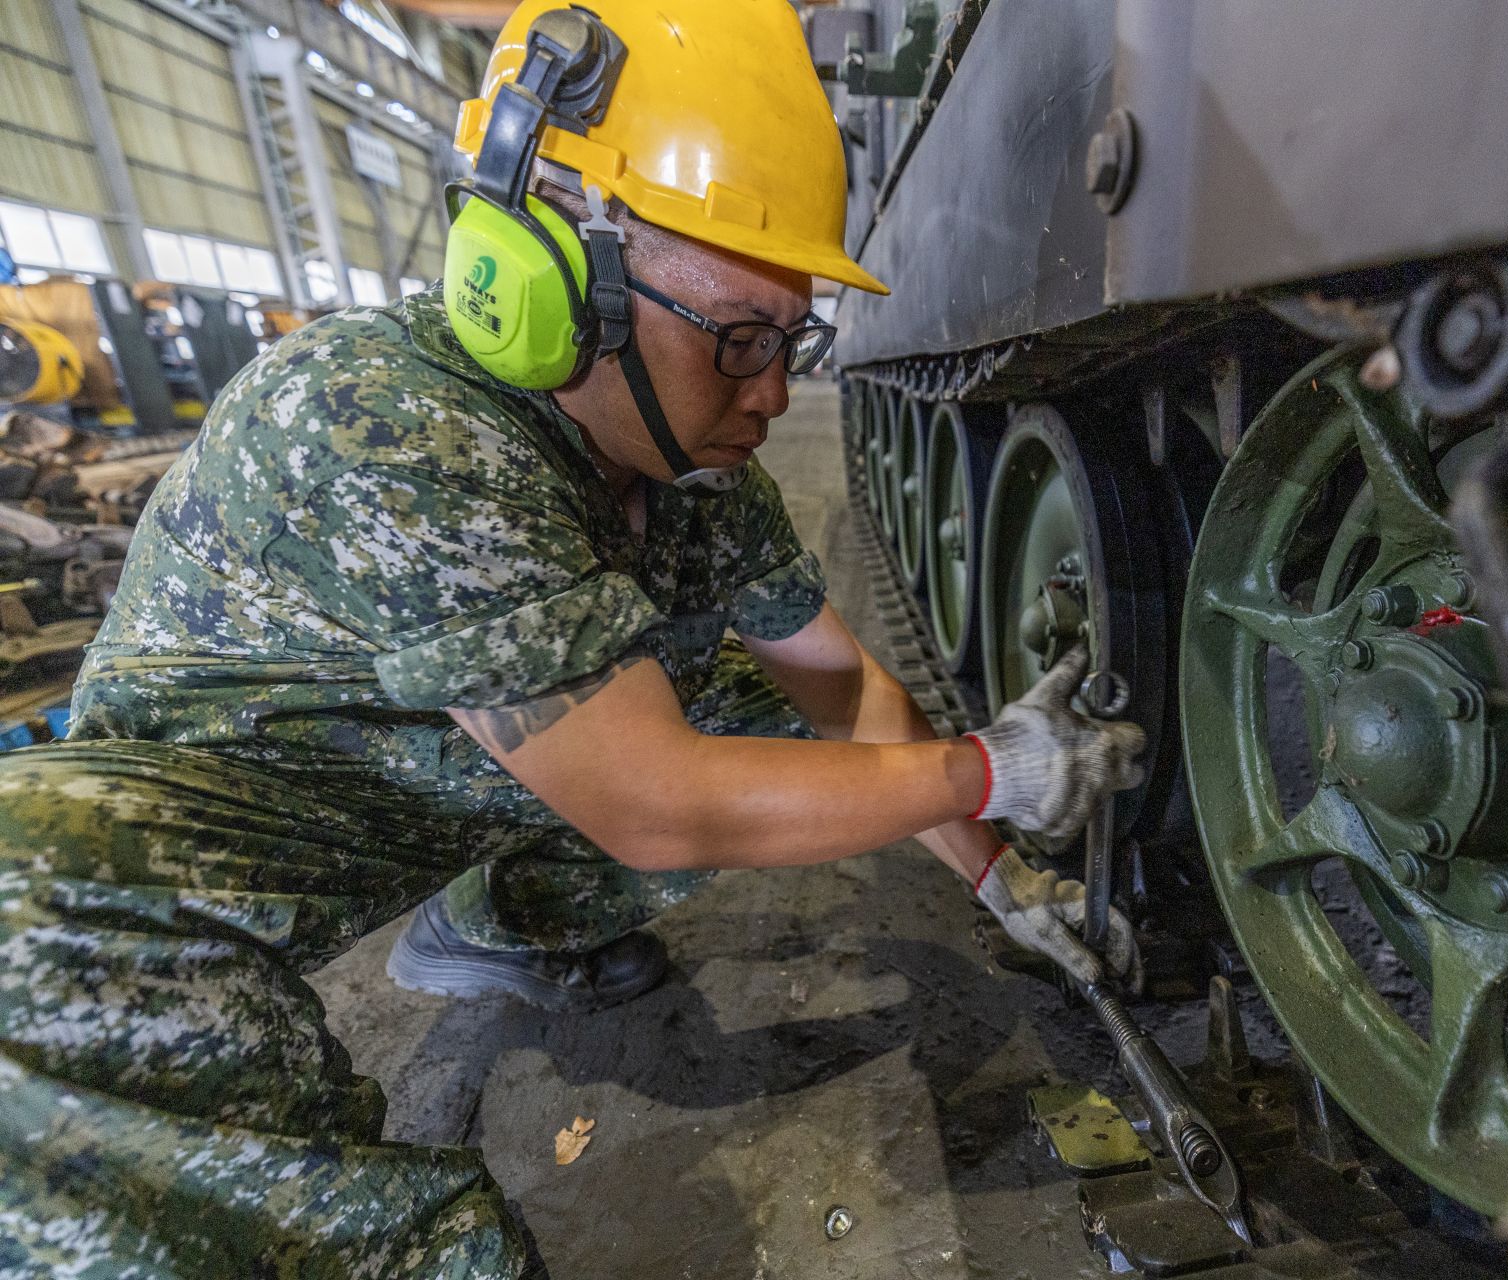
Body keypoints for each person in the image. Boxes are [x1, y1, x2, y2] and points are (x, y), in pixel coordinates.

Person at [0, 2, 1145, 1274]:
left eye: (794, 340)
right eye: (741, 339)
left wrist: (999, 876)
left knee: (747, 712)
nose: (775, 390)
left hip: (421, 776)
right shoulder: (384, 423)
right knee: (16, 899)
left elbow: (834, 684)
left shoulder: (688, 467)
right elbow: (657, 804)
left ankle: (496, 922)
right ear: (558, 288)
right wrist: (992, 767)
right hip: (232, 835)